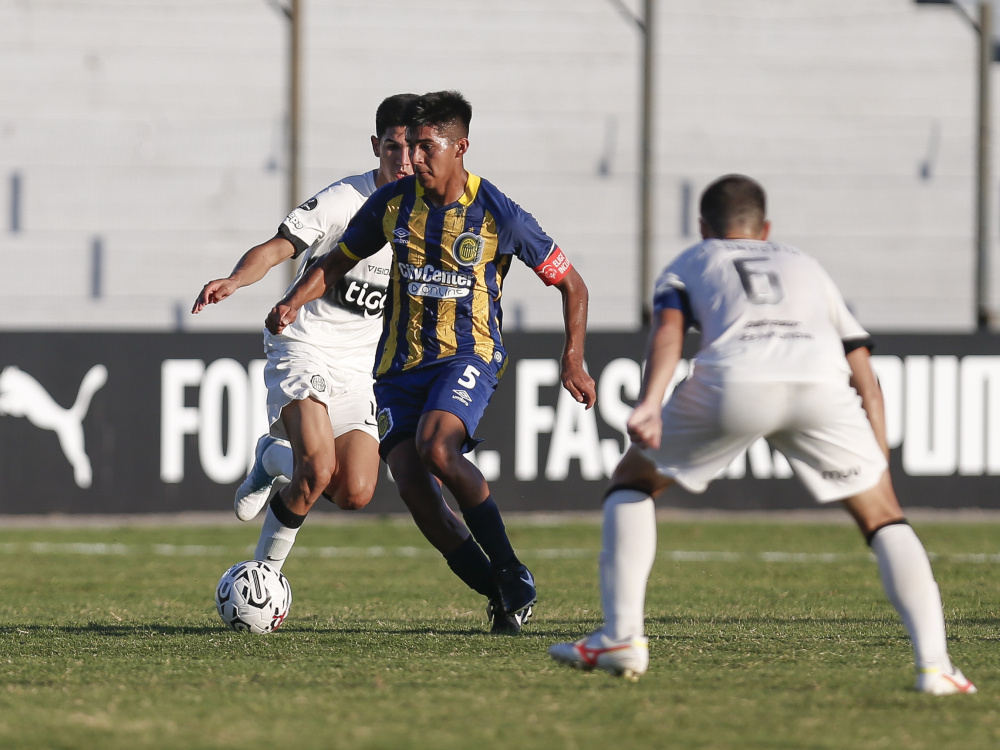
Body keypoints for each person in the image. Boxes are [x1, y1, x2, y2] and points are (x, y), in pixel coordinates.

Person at [548, 174, 976, 695]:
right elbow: (864, 370)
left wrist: (651, 404)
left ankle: (622, 636)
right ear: (766, 227)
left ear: (703, 226)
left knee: (632, 485)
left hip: (735, 380)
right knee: (884, 517)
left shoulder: (689, 262)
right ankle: (936, 668)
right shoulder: (807, 266)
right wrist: (876, 453)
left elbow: (668, 334)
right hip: (821, 383)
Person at [266, 90, 597, 633]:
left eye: (426, 147)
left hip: (466, 356)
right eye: (410, 147)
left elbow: (572, 284)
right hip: (397, 370)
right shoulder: (393, 203)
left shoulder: (498, 212)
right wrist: (292, 301)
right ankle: (503, 593)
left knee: (437, 448)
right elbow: (338, 259)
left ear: (460, 146)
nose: (414, 159)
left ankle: (511, 568)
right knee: (418, 494)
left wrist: (574, 360)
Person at [191, 93, 417, 571]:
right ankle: (262, 577)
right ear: (377, 146)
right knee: (316, 468)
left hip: (359, 370)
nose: (404, 160)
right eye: (393, 147)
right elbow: (279, 247)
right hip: (304, 344)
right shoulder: (345, 200)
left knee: (354, 491)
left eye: (414, 147)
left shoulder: (427, 219)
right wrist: (235, 279)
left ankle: (272, 458)